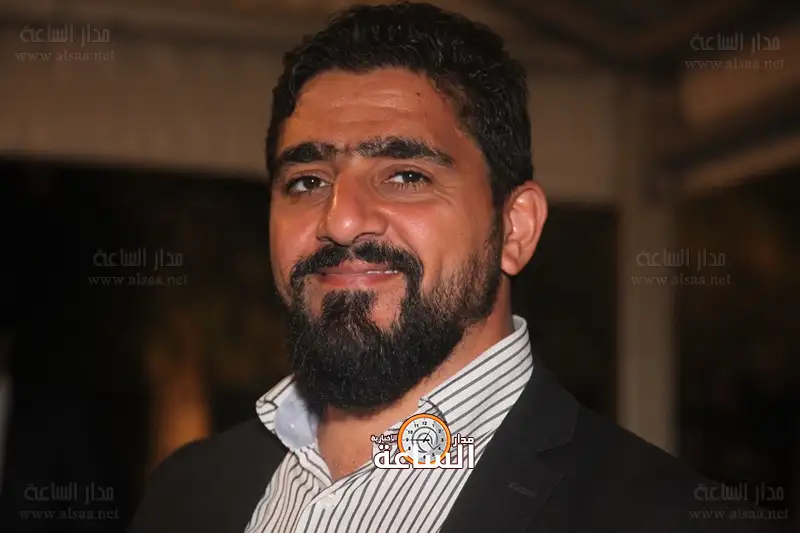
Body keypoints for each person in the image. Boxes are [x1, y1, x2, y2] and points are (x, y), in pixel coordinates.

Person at [128, 3, 777, 532]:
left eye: (406, 175)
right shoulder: (188, 493)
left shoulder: (669, 519)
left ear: (515, 228)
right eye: (306, 181)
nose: (340, 219)